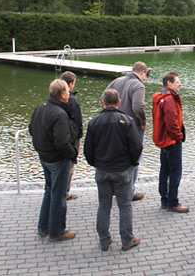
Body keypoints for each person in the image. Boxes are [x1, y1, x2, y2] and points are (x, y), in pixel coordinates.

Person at [84, 88, 143, 252]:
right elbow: (137, 146)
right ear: (118, 102)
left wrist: (96, 164)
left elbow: (88, 150)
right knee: (125, 206)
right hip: (123, 171)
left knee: (104, 206)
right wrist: (132, 163)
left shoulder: (94, 122)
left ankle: (104, 240)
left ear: (103, 102)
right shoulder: (127, 121)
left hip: (103, 171)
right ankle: (127, 239)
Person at [29, 79, 77, 242]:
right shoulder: (59, 114)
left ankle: (43, 227)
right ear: (63, 94)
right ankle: (57, 231)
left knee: (49, 191)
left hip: (44, 157)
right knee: (58, 195)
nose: (70, 95)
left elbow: (31, 129)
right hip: (57, 160)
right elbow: (62, 142)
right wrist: (72, 154)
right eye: (68, 93)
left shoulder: (40, 108)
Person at [105, 62, 149, 202]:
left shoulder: (116, 81)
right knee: (134, 159)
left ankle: (114, 188)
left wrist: (110, 114)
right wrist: (142, 122)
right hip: (132, 128)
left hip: (113, 126)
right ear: (143, 72)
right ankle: (130, 191)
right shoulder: (138, 85)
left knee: (116, 157)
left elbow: (103, 98)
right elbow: (137, 106)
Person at [152, 71, 189, 213]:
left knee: (165, 170)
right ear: (169, 83)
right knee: (175, 172)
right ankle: (173, 202)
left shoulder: (161, 97)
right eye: (177, 81)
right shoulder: (168, 99)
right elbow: (171, 122)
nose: (180, 84)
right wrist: (178, 137)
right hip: (171, 140)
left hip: (164, 140)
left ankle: (165, 199)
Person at [60, 71, 83, 201]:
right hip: (71, 136)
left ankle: (58, 189)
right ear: (70, 83)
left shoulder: (54, 95)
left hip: (60, 135)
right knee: (69, 164)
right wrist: (78, 135)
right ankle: (65, 192)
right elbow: (77, 120)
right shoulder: (72, 99)